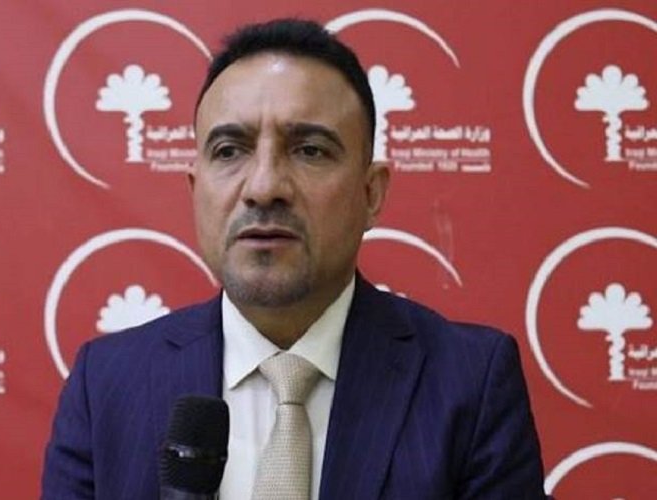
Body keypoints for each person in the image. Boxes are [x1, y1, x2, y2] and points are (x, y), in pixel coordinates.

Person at [42, 18, 547, 499]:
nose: (264, 187)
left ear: (372, 193)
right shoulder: (106, 385)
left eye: (309, 150)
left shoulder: (468, 384)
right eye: (229, 150)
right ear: (195, 191)